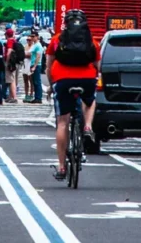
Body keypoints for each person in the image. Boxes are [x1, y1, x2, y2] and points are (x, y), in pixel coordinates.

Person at [47, 9, 99, 180]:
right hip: (86, 79)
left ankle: (62, 167)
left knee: (62, 122)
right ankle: (87, 126)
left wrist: (51, 85)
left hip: (62, 80)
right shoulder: (92, 41)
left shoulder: (56, 40)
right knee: (90, 101)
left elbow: (49, 66)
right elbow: (98, 65)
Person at [5, 28, 24, 103]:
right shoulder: (15, 41)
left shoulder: (9, 41)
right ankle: (10, 96)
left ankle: (14, 97)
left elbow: (9, 51)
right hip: (16, 63)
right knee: (13, 79)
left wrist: (7, 60)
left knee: (11, 80)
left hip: (11, 63)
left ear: (6, 35)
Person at [27, 31, 45, 104]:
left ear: (37, 37)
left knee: (37, 81)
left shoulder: (38, 45)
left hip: (37, 65)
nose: (32, 38)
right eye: (31, 36)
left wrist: (34, 66)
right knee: (34, 82)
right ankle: (36, 97)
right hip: (33, 64)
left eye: (33, 36)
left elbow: (38, 56)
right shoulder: (34, 45)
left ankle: (38, 98)